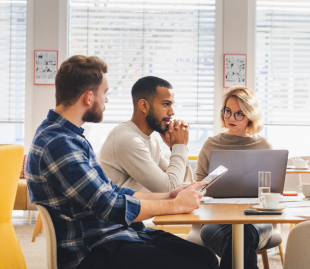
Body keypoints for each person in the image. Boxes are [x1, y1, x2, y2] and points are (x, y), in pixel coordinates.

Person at [26, 55, 218, 269]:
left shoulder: (71, 137)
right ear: (89, 97)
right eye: (104, 93)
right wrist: (174, 205)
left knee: (206, 258)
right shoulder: (58, 143)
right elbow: (109, 205)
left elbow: (111, 190)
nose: (106, 100)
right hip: (93, 249)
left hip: (114, 235)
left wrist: (169, 195)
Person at [188, 86, 274, 269]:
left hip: (256, 219)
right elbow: (198, 187)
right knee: (241, 240)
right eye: (228, 111)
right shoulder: (211, 144)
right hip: (216, 220)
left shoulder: (263, 145)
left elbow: (272, 188)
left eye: (239, 113)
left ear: (250, 115)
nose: (231, 118)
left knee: (243, 234)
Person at [100, 76, 191, 193]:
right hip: (122, 210)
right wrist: (180, 145)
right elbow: (170, 189)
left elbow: (178, 181)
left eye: (172, 104)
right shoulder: (128, 140)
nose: (172, 112)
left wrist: (175, 147)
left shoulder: (151, 139)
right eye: (165, 104)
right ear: (144, 106)